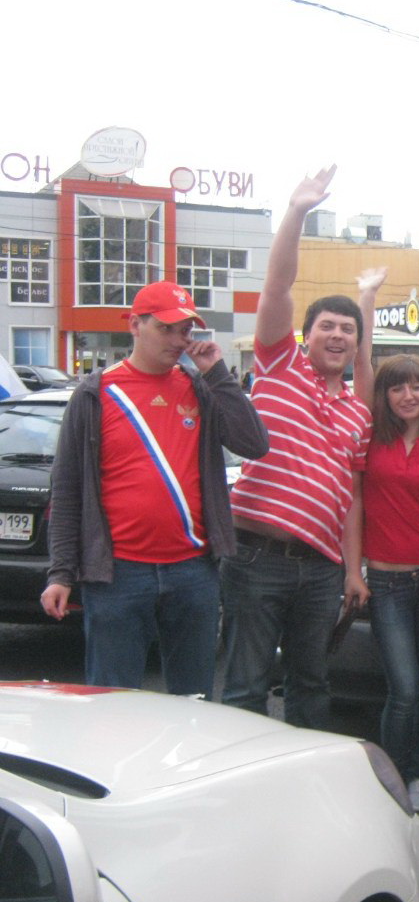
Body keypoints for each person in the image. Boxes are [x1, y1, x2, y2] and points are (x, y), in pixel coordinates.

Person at [42, 282, 267, 697]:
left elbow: (254, 444)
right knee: (113, 702)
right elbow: (68, 490)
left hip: (192, 570)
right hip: (117, 574)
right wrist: (61, 573)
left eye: (185, 330)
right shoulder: (95, 394)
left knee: (193, 699)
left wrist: (218, 373)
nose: (179, 340)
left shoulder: (199, 386)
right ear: (135, 325)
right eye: (167, 329)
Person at [221, 166, 373, 729]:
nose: (337, 334)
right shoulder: (278, 367)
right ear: (305, 335)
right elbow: (278, 287)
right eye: (326, 326)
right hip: (257, 558)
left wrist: (352, 570)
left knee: (311, 685)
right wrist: (297, 211)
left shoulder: (359, 413)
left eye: (347, 329)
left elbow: (351, 500)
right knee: (245, 683)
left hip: (322, 571)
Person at [342, 350, 419, 814]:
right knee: (405, 688)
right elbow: (353, 510)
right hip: (387, 585)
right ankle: (389, 773)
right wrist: (354, 572)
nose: (408, 395)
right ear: (384, 395)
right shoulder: (369, 443)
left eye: (417, 386)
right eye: (397, 387)